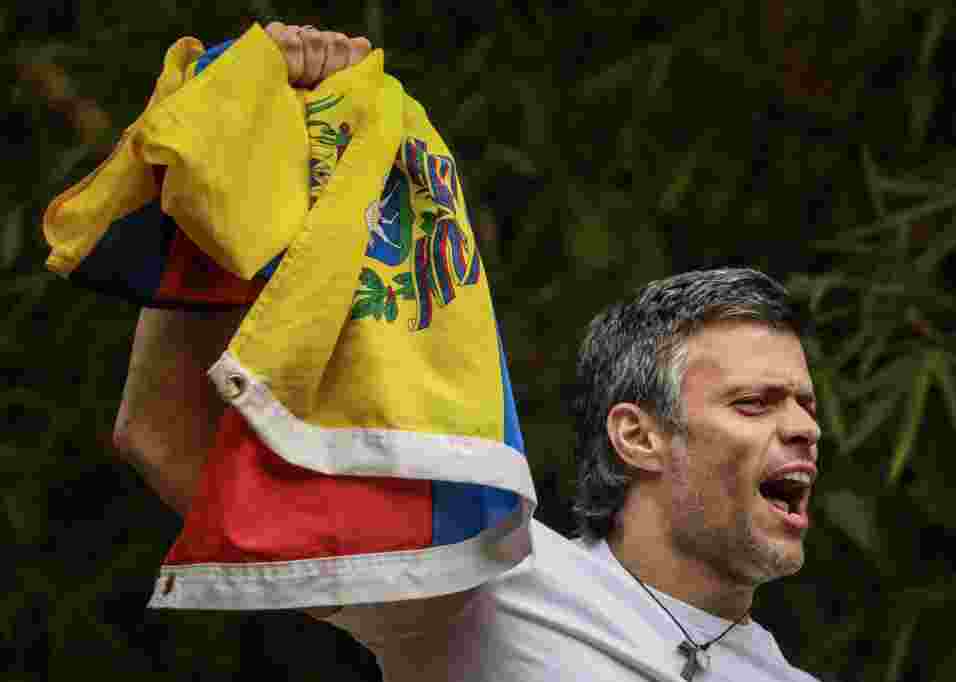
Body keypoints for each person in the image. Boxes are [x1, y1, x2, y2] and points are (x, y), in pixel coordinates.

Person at [113, 25, 822, 682]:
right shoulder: (484, 581)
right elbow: (169, 441)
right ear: (638, 435)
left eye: (804, 405)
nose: (804, 430)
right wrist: (223, 150)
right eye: (754, 403)